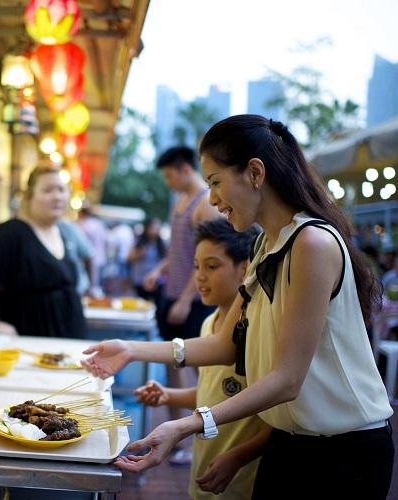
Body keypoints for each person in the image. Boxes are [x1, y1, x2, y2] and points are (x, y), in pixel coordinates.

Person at [82, 115, 393, 499]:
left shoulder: (311, 243)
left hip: (343, 451)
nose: (211, 198)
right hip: (289, 440)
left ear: (255, 172)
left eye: (215, 182)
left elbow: (287, 380)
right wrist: (131, 350)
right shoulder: (265, 246)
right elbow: (226, 344)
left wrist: (188, 425)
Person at [135, 218, 268, 499]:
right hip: (205, 469)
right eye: (197, 267)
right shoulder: (208, 323)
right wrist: (168, 395)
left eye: (212, 266)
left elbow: (276, 418)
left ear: (245, 269)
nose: (200, 277)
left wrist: (239, 457)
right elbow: (216, 394)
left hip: (240, 479)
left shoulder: (256, 332)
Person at [143, 146, 220, 464]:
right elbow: (178, 250)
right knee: (175, 366)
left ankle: (193, 441)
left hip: (194, 301)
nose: (168, 181)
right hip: (173, 295)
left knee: (196, 369)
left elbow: (205, 261)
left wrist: (187, 299)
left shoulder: (205, 205)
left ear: (184, 169)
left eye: (169, 175)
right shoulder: (180, 203)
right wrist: (159, 270)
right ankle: (176, 434)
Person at [0, 166, 86, 338]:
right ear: (30, 196)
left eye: (62, 190)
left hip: (67, 342)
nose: (57, 196)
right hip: (31, 343)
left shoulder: (62, 231)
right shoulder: (14, 231)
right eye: (48, 190)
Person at [128, 218, 166, 304]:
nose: (156, 230)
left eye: (158, 228)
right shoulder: (138, 241)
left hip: (156, 281)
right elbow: (129, 258)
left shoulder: (160, 244)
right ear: (147, 228)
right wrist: (139, 253)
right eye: (154, 228)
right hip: (140, 280)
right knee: (140, 304)